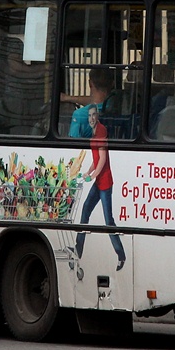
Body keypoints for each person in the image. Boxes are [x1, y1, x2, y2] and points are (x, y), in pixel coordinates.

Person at [70, 68, 125, 271]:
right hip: (98, 180)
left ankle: (121, 255)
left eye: (93, 116)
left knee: (108, 220)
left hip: (105, 182)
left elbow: (101, 158)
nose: (91, 119)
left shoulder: (95, 126)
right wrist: (88, 173)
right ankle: (78, 249)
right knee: (85, 211)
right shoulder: (112, 110)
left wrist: (90, 174)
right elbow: (95, 157)